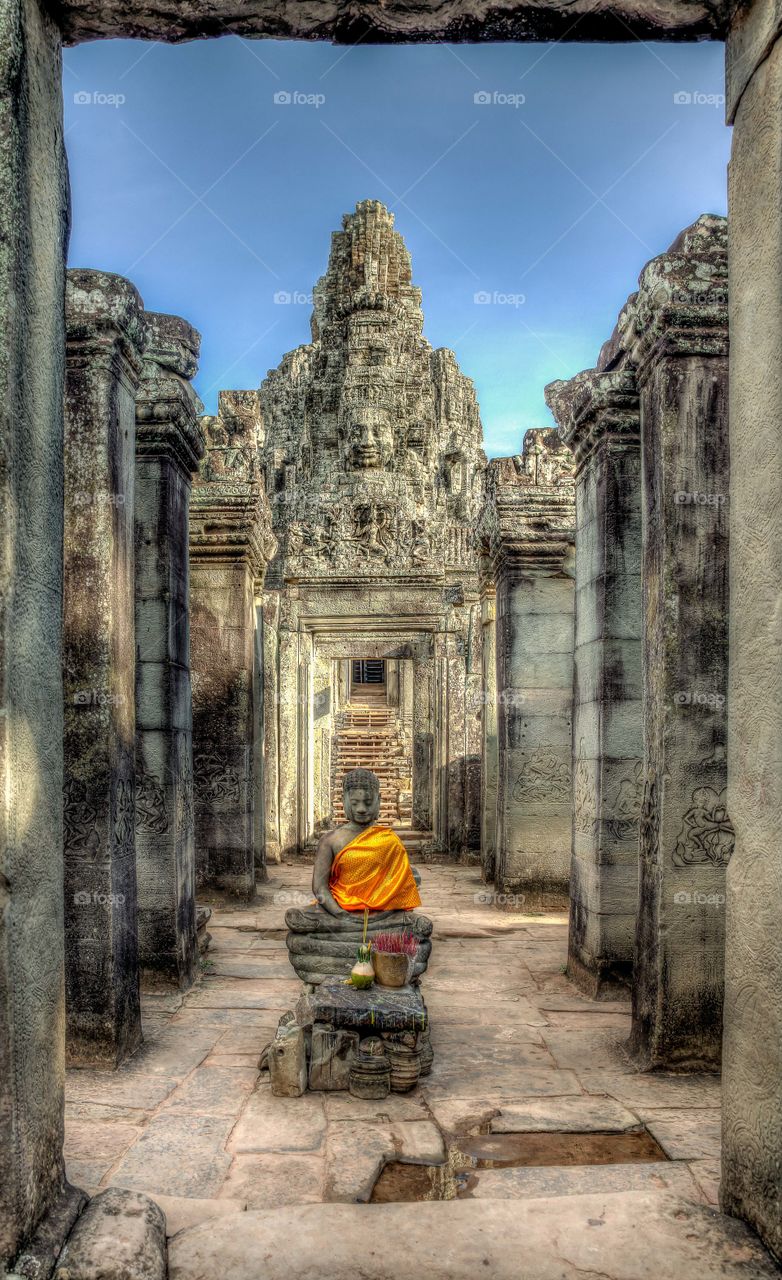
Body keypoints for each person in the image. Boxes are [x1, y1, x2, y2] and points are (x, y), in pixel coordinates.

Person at [312, 768, 421, 918]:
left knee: (419, 924)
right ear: (344, 800)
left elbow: (399, 889)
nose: (361, 809)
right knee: (296, 916)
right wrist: (341, 915)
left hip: (383, 912)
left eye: (368, 803)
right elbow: (319, 888)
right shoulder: (330, 840)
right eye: (354, 803)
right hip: (340, 910)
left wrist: (382, 915)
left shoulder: (390, 841)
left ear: (379, 800)